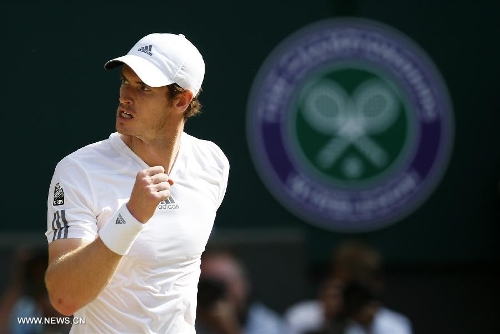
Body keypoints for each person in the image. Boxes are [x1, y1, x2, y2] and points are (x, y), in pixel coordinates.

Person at [44, 32, 230, 333]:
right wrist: (130, 217)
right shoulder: (78, 170)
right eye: (125, 82)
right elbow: (64, 298)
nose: (125, 96)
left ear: (182, 100)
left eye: (143, 88)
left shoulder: (213, 163)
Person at [284, 239, 412, 334]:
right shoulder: (300, 318)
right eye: (348, 287)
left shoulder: (396, 326)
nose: (353, 296)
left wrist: (369, 327)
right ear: (332, 280)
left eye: (359, 289)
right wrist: (326, 321)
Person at [195, 247, 289, 334]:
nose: (213, 293)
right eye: (206, 285)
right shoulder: (184, 319)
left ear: (243, 286)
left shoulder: (266, 323)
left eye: (220, 285)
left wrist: (229, 329)